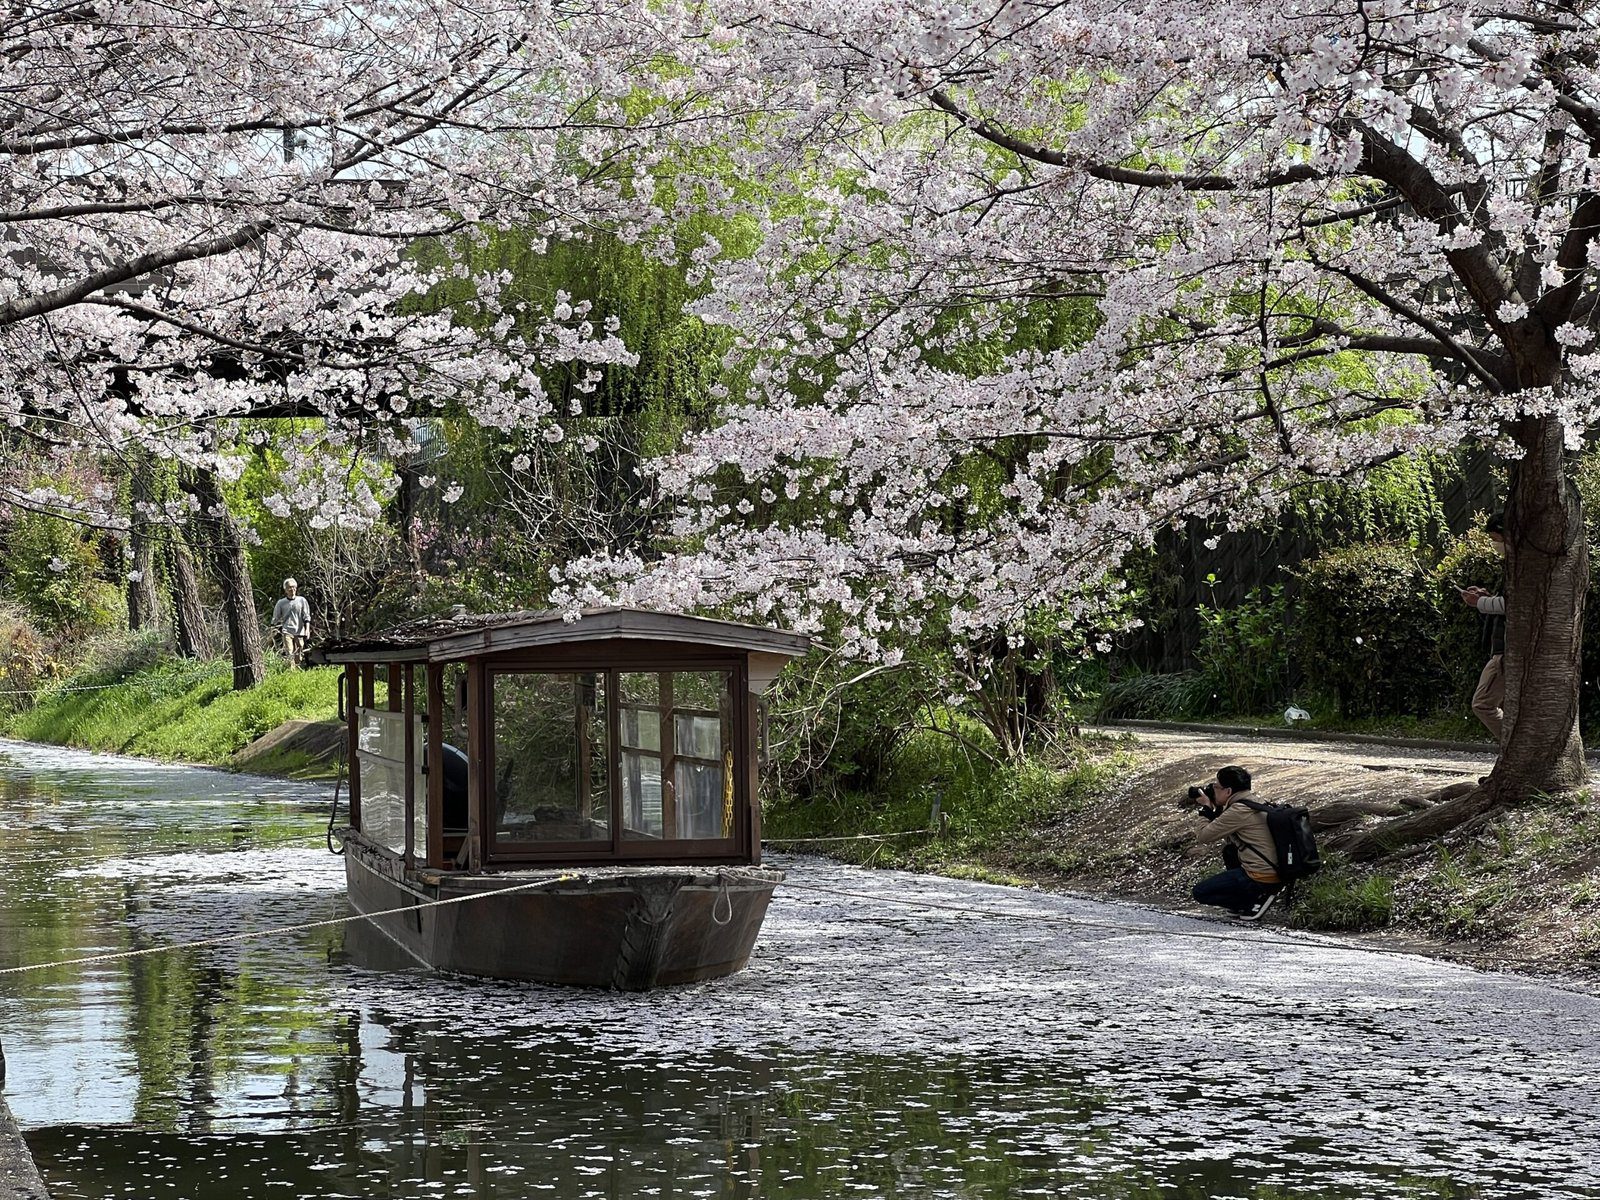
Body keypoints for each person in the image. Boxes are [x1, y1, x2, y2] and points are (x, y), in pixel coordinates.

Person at [1187, 764, 1282, 920]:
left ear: (1228, 791)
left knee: (1201, 892)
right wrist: (1214, 808)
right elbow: (1224, 831)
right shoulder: (1253, 801)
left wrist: (1205, 808)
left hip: (1261, 875)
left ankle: (1253, 900)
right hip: (1274, 869)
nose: (1212, 790)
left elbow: (1204, 836)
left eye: (1216, 787)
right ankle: (1246, 899)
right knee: (1230, 851)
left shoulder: (1238, 811)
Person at [1458, 514, 1507, 743]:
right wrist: (1487, 597)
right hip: (1502, 648)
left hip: (1505, 651)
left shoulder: (1522, 565)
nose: (1494, 545)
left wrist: (1479, 603)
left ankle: (1513, 746)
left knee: (1482, 703)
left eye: (1495, 538)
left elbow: (1512, 605)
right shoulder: (1513, 565)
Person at [270, 577, 312, 668]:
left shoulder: (301, 600)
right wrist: (273, 629)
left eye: (294, 587)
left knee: (299, 652)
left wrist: (307, 629)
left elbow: (306, 616)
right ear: (285, 589)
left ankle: (297, 669)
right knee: (289, 652)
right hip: (287, 630)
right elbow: (275, 618)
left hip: (299, 631)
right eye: (290, 587)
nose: (292, 589)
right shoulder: (281, 603)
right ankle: (291, 671)